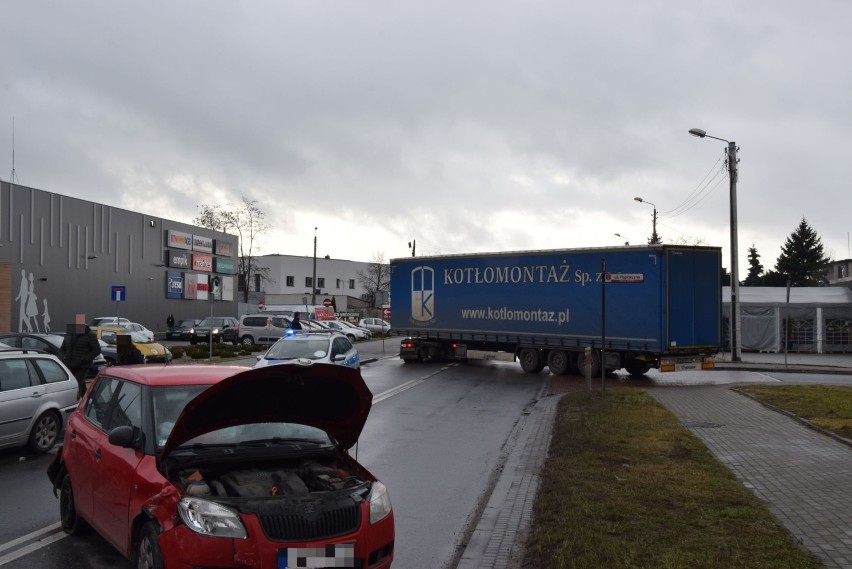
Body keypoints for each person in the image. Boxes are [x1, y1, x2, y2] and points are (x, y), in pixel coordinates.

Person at [59, 324, 102, 399]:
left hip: (83, 365)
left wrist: (85, 359)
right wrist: (64, 358)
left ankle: (76, 405)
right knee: (81, 386)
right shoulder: (69, 334)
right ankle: (90, 401)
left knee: (76, 384)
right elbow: (63, 348)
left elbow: (97, 350)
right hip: (70, 364)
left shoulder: (90, 335)